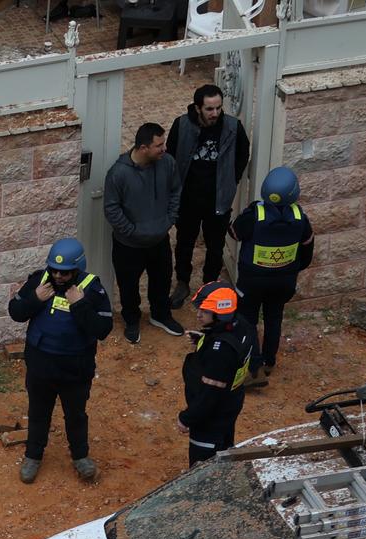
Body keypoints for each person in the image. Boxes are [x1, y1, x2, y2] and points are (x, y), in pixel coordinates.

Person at [8, 237, 114, 484]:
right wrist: (34, 299)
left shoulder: (93, 289)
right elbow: (15, 312)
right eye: (54, 270)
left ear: (77, 268)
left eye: (64, 272)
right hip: (40, 366)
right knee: (38, 413)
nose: (58, 275)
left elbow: (102, 329)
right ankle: (33, 456)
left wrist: (80, 306)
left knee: (75, 415)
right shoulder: (39, 281)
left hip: (75, 369)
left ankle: (80, 457)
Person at [166, 85, 251, 309]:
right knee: (184, 242)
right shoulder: (182, 125)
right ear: (198, 108)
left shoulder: (232, 127)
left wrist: (231, 180)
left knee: (215, 246)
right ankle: (182, 282)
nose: (215, 113)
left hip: (218, 200)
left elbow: (243, 153)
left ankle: (209, 286)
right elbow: (171, 156)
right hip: (188, 199)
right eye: (209, 109)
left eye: (218, 108)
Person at [229, 166, 314, 384]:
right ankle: (269, 361)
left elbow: (234, 233)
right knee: (273, 318)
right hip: (283, 281)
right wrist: (291, 268)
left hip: (252, 281)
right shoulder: (299, 217)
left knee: (247, 320)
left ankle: (253, 366)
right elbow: (307, 250)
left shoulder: (254, 215)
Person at [103, 122, 184, 344]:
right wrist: (131, 232)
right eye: (159, 145)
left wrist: (169, 219)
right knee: (128, 287)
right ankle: (132, 320)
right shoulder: (118, 173)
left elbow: (176, 190)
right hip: (128, 246)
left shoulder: (167, 163)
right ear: (143, 147)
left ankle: (161, 315)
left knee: (162, 280)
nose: (164, 148)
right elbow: (111, 208)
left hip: (159, 240)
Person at [176, 282, 256, 465]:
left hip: (210, 419)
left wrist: (186, 418)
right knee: (224, 450)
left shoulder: (220, 352)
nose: (198, 315)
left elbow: (209, 395)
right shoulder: (241, 326)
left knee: (203, 468)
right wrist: (205, 339)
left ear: (220, 314)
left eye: (204, 312)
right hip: (231, 403)